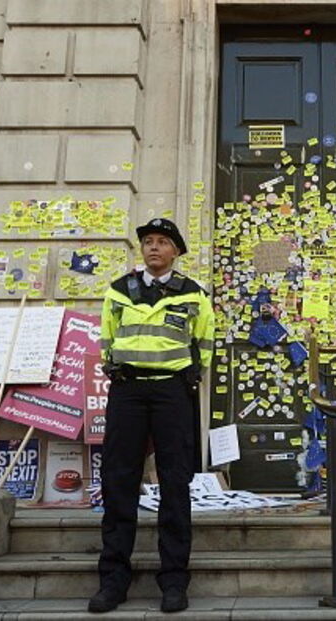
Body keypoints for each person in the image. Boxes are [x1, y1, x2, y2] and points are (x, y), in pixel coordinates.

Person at [89, 218, 214, 614]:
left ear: (175, 251)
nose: (154, 247)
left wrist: (191, 376)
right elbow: (107, 337)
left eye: (162, 242)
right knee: (118, 480)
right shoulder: (119, 289)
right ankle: (113, 580)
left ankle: (174, 581)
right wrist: (113, 367)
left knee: (175, 482)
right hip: (127, 391)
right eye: (148, 242)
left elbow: (204, 340)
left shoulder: (193, 293)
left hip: (172, 392)